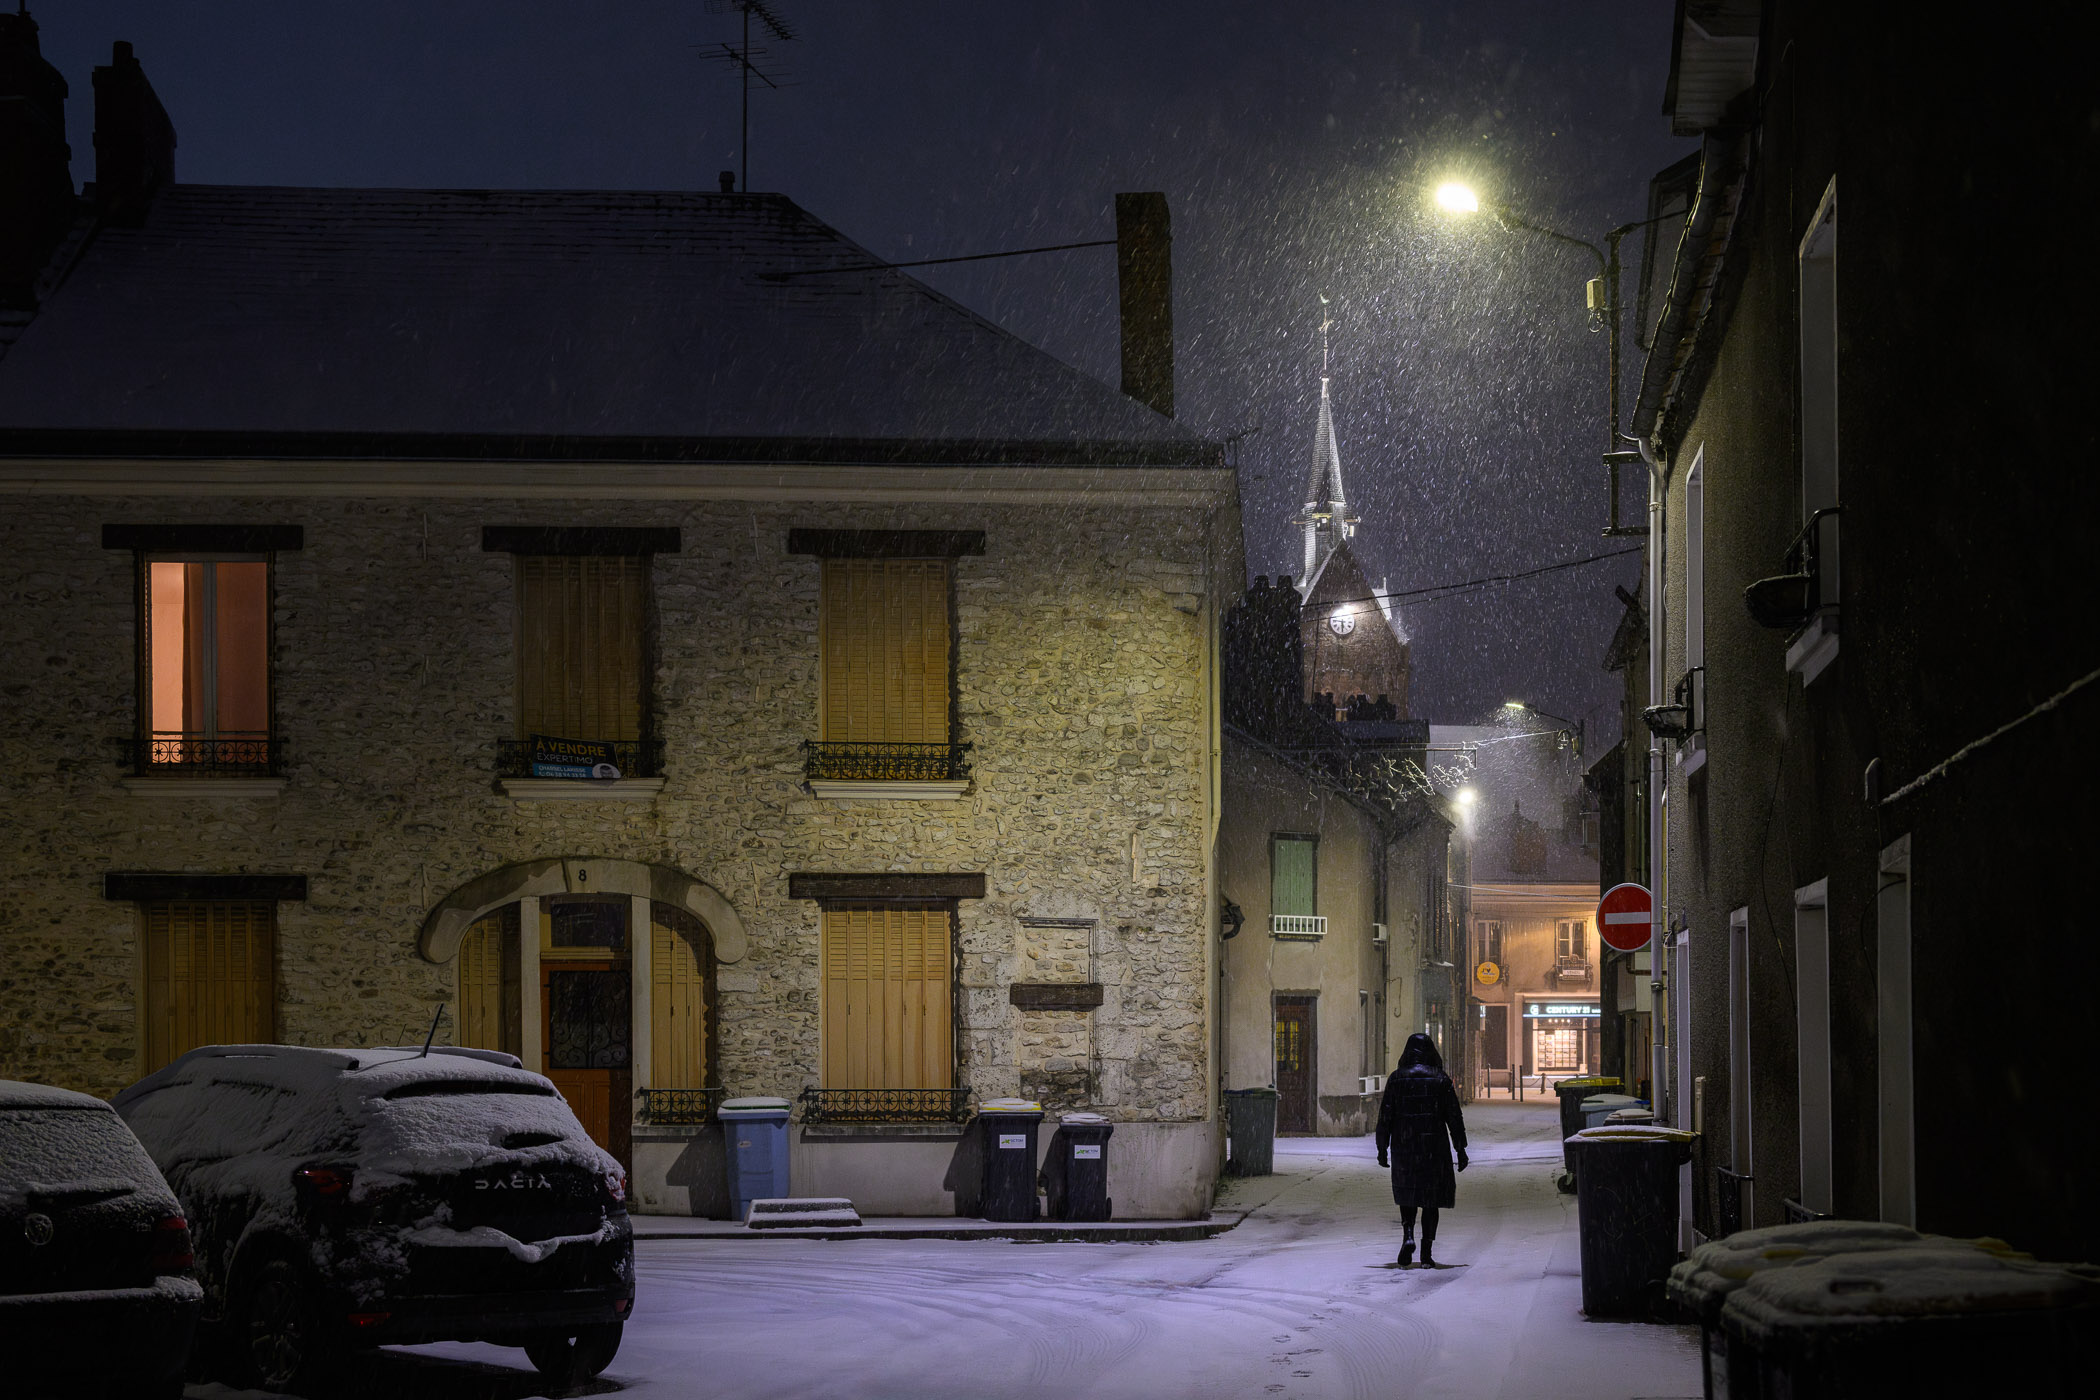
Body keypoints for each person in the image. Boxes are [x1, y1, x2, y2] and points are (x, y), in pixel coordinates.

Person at [1375, 1032, 1469, 1266]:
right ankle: (1426, 1252)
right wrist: (1460, 1148)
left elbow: (1385, 1116)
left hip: (1405, 1147)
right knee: (1431, 1200)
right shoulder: (1440, 1079)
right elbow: (1454, 1117)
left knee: (1408, 1194)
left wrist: (1381, 1147)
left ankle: (1408, 1235)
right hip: (1434, 1147)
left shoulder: (1397, 1079)